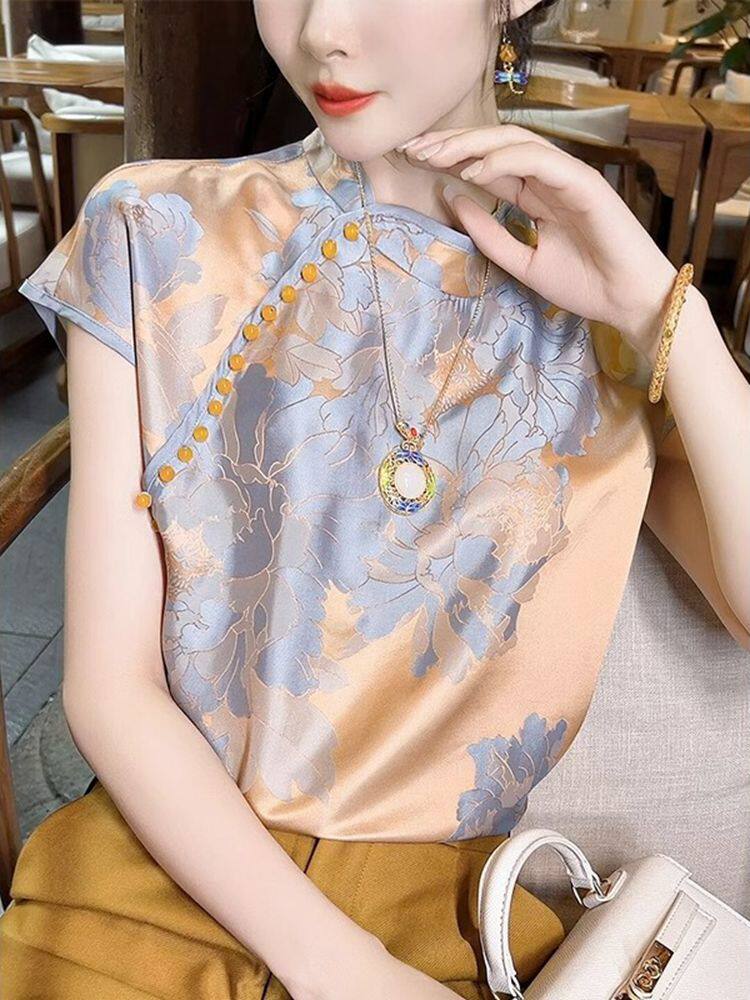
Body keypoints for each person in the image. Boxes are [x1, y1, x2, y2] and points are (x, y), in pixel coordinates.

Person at [2, 0, 749, 997]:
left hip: (451, 930)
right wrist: (345, 973)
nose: (323, 29)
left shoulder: (606, 314)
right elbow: (108, 687)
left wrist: (664, 311)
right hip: (143, 894)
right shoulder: (154, 228)